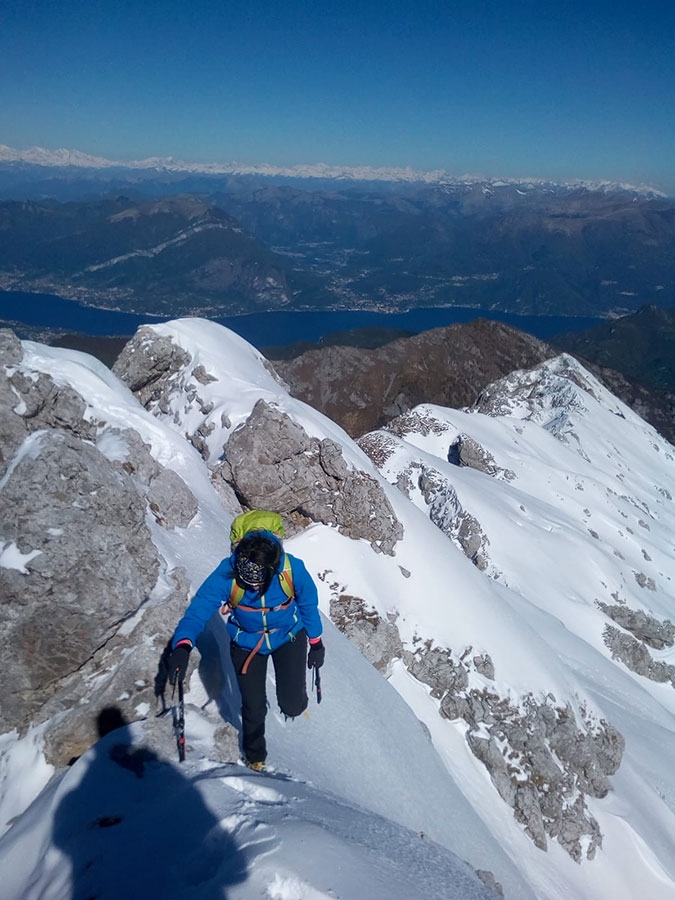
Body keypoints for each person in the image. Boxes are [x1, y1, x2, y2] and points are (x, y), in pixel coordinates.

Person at [167, 512, 325, 771]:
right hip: (246, 643)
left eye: (257, 582)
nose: (251, 587)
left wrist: (316, 642)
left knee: (293, 704)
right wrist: (183, 645)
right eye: (246, 581)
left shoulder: (291, 569)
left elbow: (308, 604)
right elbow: (199, 609)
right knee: (252, 707)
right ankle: (255, 757)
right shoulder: (227, 572)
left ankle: (290, 705)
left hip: (288, 636)